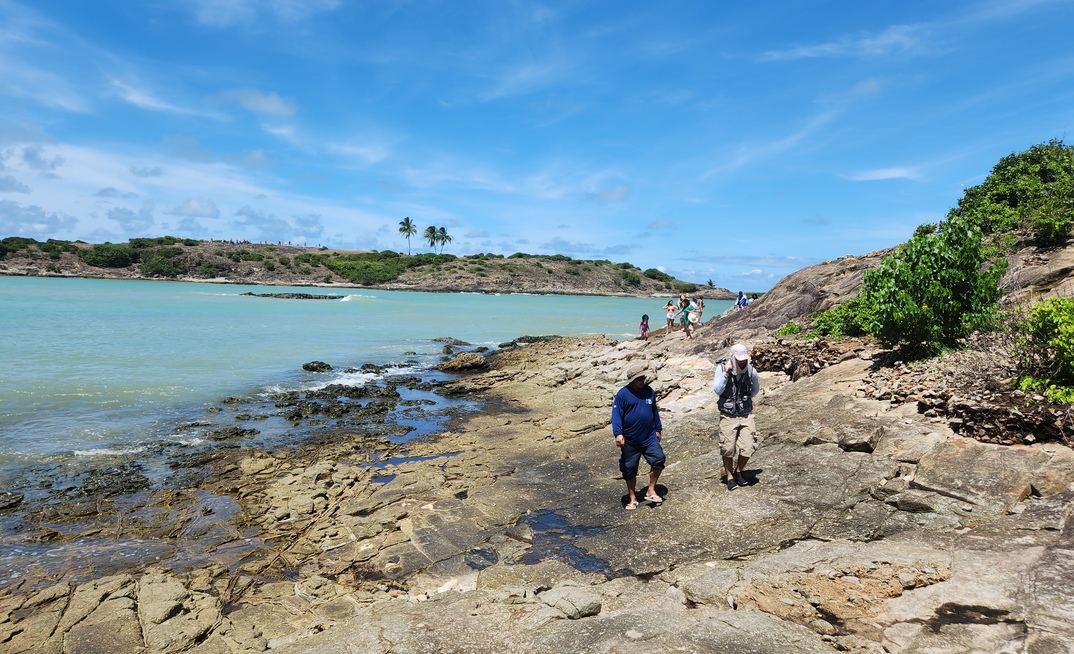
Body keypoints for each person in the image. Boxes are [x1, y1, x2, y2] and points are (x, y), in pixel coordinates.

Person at [612, 362, 665, 509]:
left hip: (649, 436)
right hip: (630, 439)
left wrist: (658, 428)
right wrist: (618, 433)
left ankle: (650, 489)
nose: (641, 381)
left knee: (659, 459)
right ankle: (632, 497)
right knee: (629, 469)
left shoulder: (650, 391)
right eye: (638, 379)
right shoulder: (623, 394)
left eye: (643, 378)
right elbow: (616, 415)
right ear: (631, 381)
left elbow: (654, 411)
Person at [712, 343, 760, 491]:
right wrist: (727, 374)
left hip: (746, 414)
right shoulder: (721, 369)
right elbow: (718, 390)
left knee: (748, 446)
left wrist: (743, 401)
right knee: (727, 447)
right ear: (732, 358)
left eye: (744, 359)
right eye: (739, 359)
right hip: (728, 415)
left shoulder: (752, 371)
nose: (741, 362)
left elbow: (755, 389)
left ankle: (739, 471)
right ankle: (729, 477)